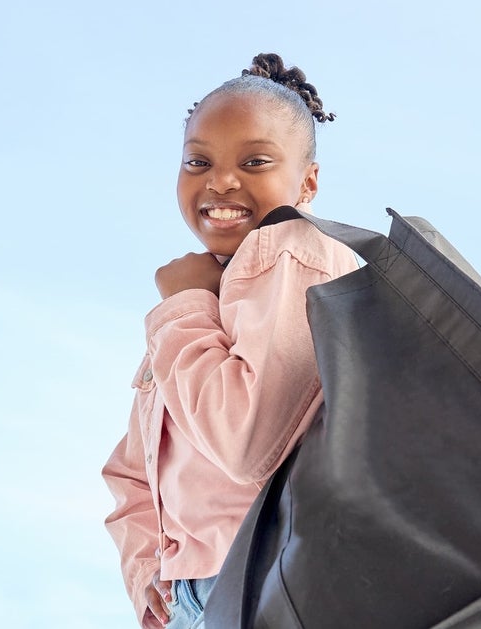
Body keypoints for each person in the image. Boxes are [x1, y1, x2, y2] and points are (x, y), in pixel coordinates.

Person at [101, 53, 360, 628]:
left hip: (272, 580)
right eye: (198, 160)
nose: (219, 179)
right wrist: (153, 583)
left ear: (307, 181)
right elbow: (132, 472)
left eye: (255, 161)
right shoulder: (206, 299)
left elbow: (247, 442)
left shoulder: (291, 252)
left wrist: (182, 306)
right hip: (202, 597)